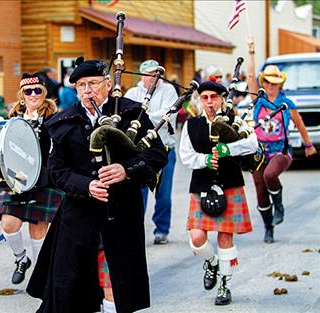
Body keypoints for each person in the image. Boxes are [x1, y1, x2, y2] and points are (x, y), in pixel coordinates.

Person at [26, 58, 167, 313]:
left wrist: (126, 170)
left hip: (121, 213)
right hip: (78, 215)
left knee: (114, 280)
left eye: (92, 83)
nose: (87, 90)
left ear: (107, 84)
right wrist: (86, 185)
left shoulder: (131, 113)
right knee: (71, 285)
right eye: (81, 85)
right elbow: (56, 170)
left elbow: (157, 155)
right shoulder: (63, 122)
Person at [179, 81, 258, 305]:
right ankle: (212, 262)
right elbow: (186, 155)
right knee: (196, 237)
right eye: (205, 97)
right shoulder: (191, 124)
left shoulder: (236, 119)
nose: (210, 101)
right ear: (200, 99)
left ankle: (225, 283)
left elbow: (252, 143)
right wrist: (205, 159)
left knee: (225, 236)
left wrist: (228, 149)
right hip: (202, 185)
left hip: (230, 183)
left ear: (222, 98)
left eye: (214, 96)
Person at [0, 73, 63, 285]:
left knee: (38, 228)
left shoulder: (54, 118)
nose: (33, 95)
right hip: (17, 179)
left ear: (44, 92)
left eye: (37, 90)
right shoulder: (12, 119)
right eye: (28, 91)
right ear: (22, 95)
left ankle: (42, 274)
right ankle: (22, 259)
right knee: (9, 223)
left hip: (45, 178)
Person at [246, 37, 317, 243]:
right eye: (267, 81)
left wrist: (309, 144)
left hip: (280, 151)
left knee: (269, 175)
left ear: (280, 84)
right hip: (258, 151)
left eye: (274, 82)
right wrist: (251, 52)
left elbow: (300, 123)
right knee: (259, 190)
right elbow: (250, 75)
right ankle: (269, 227)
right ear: (264, 82)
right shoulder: (258, 100)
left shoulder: (286, 103)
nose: (270, 85)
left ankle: (279, 204)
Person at [125, 60, 178, 244]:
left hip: (165, 149)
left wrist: (141, 118)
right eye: (149, 74)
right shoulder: (133, 93)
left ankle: (161, 230)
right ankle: (135, 229)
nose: (154, 77)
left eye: (157, 73)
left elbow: (169, 114)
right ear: (142, 76)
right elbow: (127, 117)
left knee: (163, 193)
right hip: (140, 151)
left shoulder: (169, 90)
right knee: (139, 193)